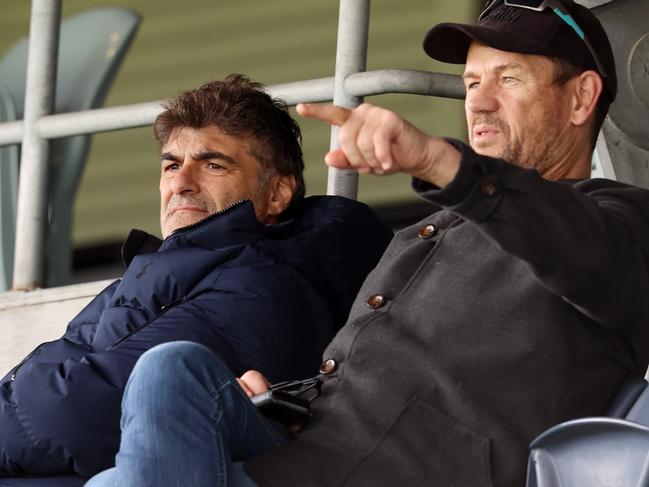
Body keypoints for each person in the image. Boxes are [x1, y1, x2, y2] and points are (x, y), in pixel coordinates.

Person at [85, 1, 649, 487]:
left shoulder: (620, 224)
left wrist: (439, 161)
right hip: (309, 453)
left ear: (581, 99)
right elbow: (380, 384)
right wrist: (286, 398)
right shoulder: (428, 234)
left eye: (508, 79)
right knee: (173, 373)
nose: (477, 103)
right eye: (473, 82)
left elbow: (569, 242)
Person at [0, 75, 392, 479]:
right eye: (172, 165)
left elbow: (72, 415)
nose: (181, 183)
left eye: (213, 165)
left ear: (277, 194)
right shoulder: (149, 279)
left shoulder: (264, 285)